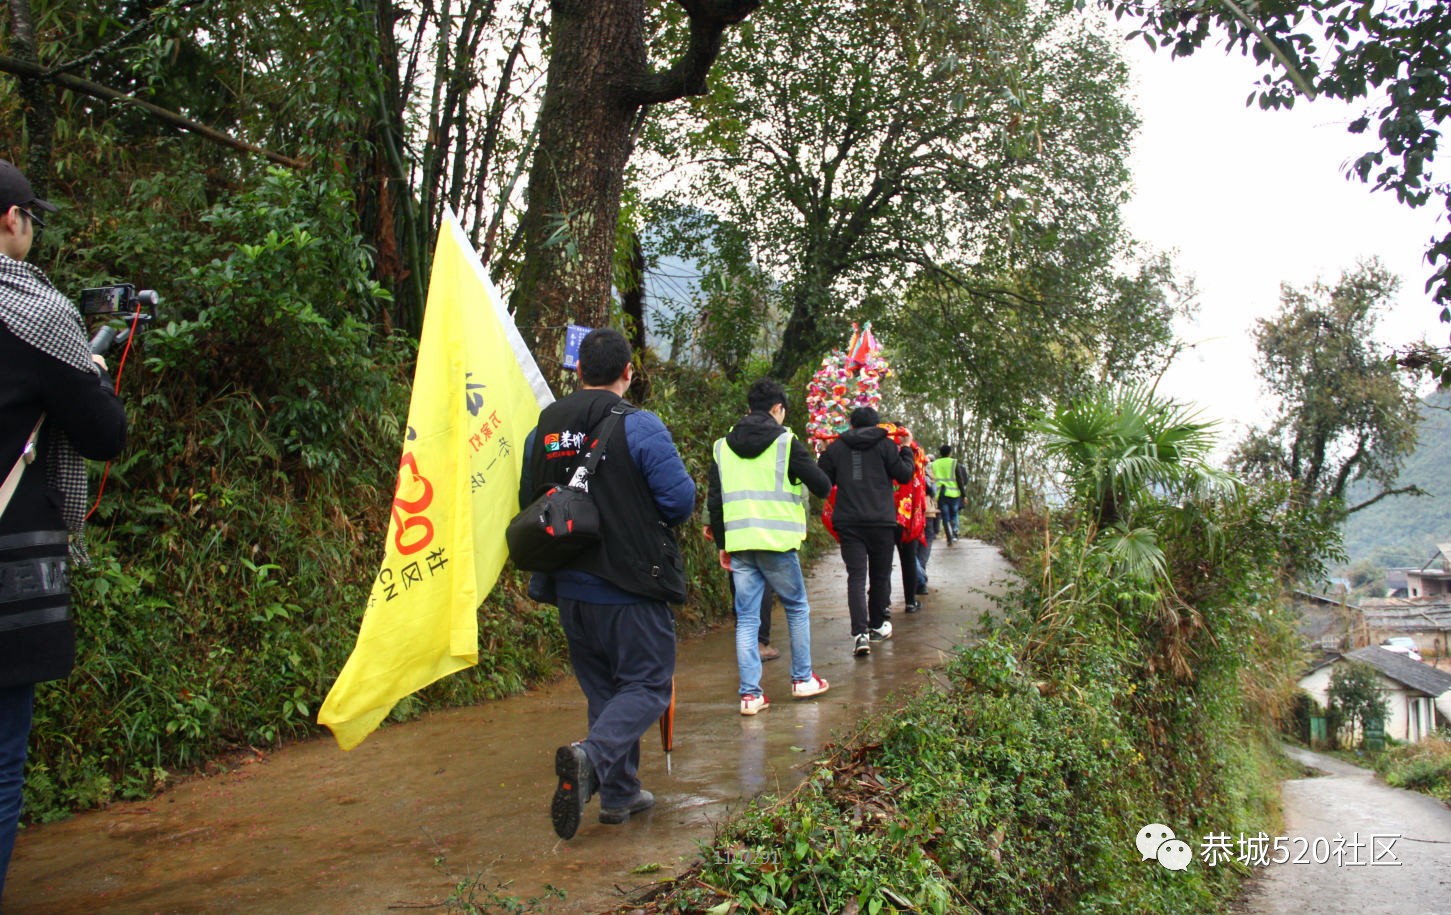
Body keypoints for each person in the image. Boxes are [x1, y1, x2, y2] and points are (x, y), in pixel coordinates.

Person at [1, 159, 128, 906]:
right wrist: (89, 370)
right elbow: (103, 432)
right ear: (13, 220)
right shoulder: (32, 310)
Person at [518, 328, 695, 840]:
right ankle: (590, 757)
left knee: (605, 692)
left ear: (578, 373)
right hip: (629, 583)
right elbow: (678, 501)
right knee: (647, 684)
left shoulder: (543, 430)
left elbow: (533, 498)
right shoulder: (640, 427)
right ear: (628, 374)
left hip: (569, 585)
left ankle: (618, 794)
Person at [707, 379, 833, 715]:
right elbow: (822, 486)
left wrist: (724, 544)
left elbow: (715, 502)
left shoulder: (721, 446)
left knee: (747, 619)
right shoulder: (786, 442)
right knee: (796, 606)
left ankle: (750, 695)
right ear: (777, 409)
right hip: (776, 543)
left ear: (750, 408)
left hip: (741, 543)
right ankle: (802, 679)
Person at [817, 407, 915, 657]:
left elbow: (822, 482)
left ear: (851, 426)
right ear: (877, 426)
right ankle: (876, 626)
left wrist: (823, 454)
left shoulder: (837, 448)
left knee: (856, 577)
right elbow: (904, 475)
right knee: (881, 576)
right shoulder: (886, 446)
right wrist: (905, 447)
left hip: (849, 523)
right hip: (881, 521)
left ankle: (859, 634)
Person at [930, 444, 970, 544]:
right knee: (954, 514)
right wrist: (964, 495)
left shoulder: (935, 463)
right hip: (954, 494)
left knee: (945, 515)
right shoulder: (953, 462)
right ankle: (955, 534)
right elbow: (959, 479)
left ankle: (949, 537)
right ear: (949, 453)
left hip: (940, 494)